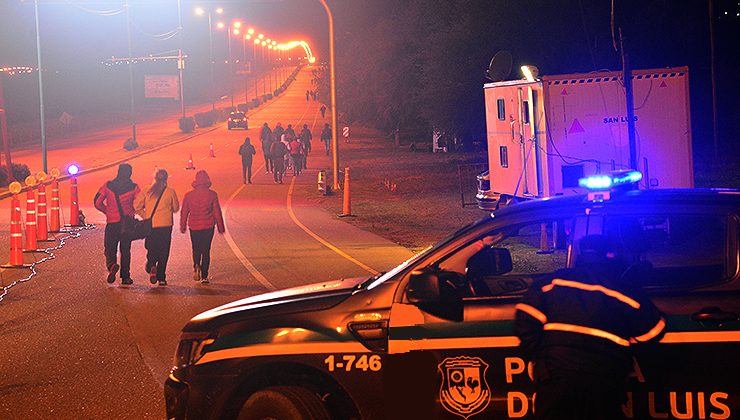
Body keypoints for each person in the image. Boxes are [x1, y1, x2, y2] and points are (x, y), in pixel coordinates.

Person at [515, 233, 665, 420]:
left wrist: (539, 356)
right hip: (604, 379)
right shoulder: (626, 293)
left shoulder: (552, 283)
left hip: (557, 376)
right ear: (611, 255)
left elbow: (525, 318)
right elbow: (653, 331)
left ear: (579, 254)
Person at [94, 163, 140, 285]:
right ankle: (125, 277)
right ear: (130, 173)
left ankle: (112, 265)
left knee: (110, 248)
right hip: (127, 223)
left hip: (112, 222)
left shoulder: (108, 186)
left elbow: (97, 202)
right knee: (125, 250)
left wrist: (107, 211)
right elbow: (139, 203)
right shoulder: (134, 187)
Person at [135, 169, 179, 286]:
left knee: (152, 247)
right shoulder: (170, 192)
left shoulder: (147, 190)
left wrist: (146, 216)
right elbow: (175, 208)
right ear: (166, 179)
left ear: (154, 178)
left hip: (152, 225)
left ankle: (152, 264)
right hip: (166, 225)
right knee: (164, 251)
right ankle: (161, 278)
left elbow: (137, 206)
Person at [180, 170, 225, 284]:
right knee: (206, 250)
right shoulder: (212, 194)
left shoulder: (189, 195)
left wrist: (183, 226)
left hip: (194, 226)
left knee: (196, 248)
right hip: (208, 226)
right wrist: (220, 227)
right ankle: (204, 276)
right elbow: (217, 212)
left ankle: (196, 265)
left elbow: (184, 212)